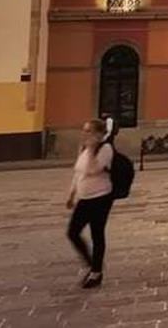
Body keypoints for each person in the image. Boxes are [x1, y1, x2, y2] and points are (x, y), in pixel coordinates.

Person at [67, 118, 115, 289]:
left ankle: (96, 272)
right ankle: (90, 263)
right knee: (72, 232)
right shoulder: (84, 149)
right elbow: (78, 172)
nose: (84, 133)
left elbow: (93, 170)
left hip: (101, 197)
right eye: (84, 130)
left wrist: (93, 148)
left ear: (98, 133)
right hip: (84, 197)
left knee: (97, 233)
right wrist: (72, 194)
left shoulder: (105, 149)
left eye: (88, 131)